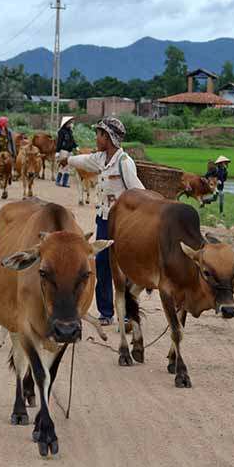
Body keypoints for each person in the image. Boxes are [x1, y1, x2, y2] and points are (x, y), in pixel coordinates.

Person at [67, 117, 144, 326]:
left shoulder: (125, 163)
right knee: (101, 263)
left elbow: (138, 191)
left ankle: (128, 311)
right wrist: (67, 159)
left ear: (107, 137)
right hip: (103, 220)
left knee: (124, 266)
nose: (96, 137)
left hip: (122, 224)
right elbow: (83, 161)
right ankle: (106, 311)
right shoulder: (100, 159)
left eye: (99, 134)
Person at [55, 115, 77, 188]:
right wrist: (57, 151)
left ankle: (64, 182)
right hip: (63, 151)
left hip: (70, 151)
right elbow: (59, 142)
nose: (71, 124)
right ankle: (58, 181)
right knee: (63, 166)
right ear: (65, 123)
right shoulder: (61, 132)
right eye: (69, 123)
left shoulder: (70, 131)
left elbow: (72, 140)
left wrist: (76, 146)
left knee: (68, 167)